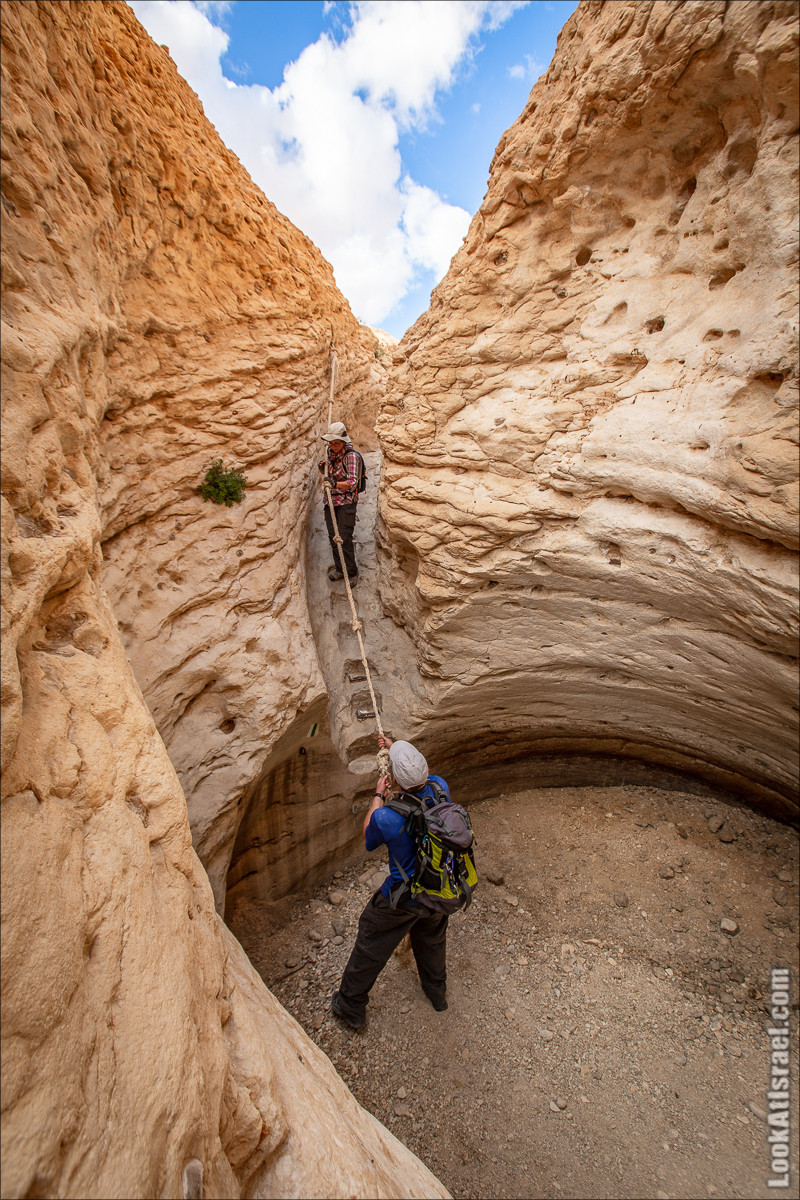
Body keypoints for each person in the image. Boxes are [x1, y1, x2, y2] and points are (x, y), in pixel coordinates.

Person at [331, 735, 451, 1031]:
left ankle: (350, 1007)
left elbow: (367, 834)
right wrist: (395, 745)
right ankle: (437, 994)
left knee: (371, 942)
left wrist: (379, 795)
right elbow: (418, 772)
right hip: (438, 888)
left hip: (403, 897)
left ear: (394, 779)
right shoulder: (440, 787)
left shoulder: (388, 817)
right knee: (432, 940)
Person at [318, 421, 360, 585]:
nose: (333, 446)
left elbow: (352, 483)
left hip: (346, 502)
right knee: (333, 537)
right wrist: (323, 468)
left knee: (344, 538)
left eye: (336, 443)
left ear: (344, 442)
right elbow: (332, 472)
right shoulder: (331, 452)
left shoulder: (351, 457)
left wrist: (334, 484)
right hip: (331, 501)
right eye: (331, 443)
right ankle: (340, 569)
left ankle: (352, 572)